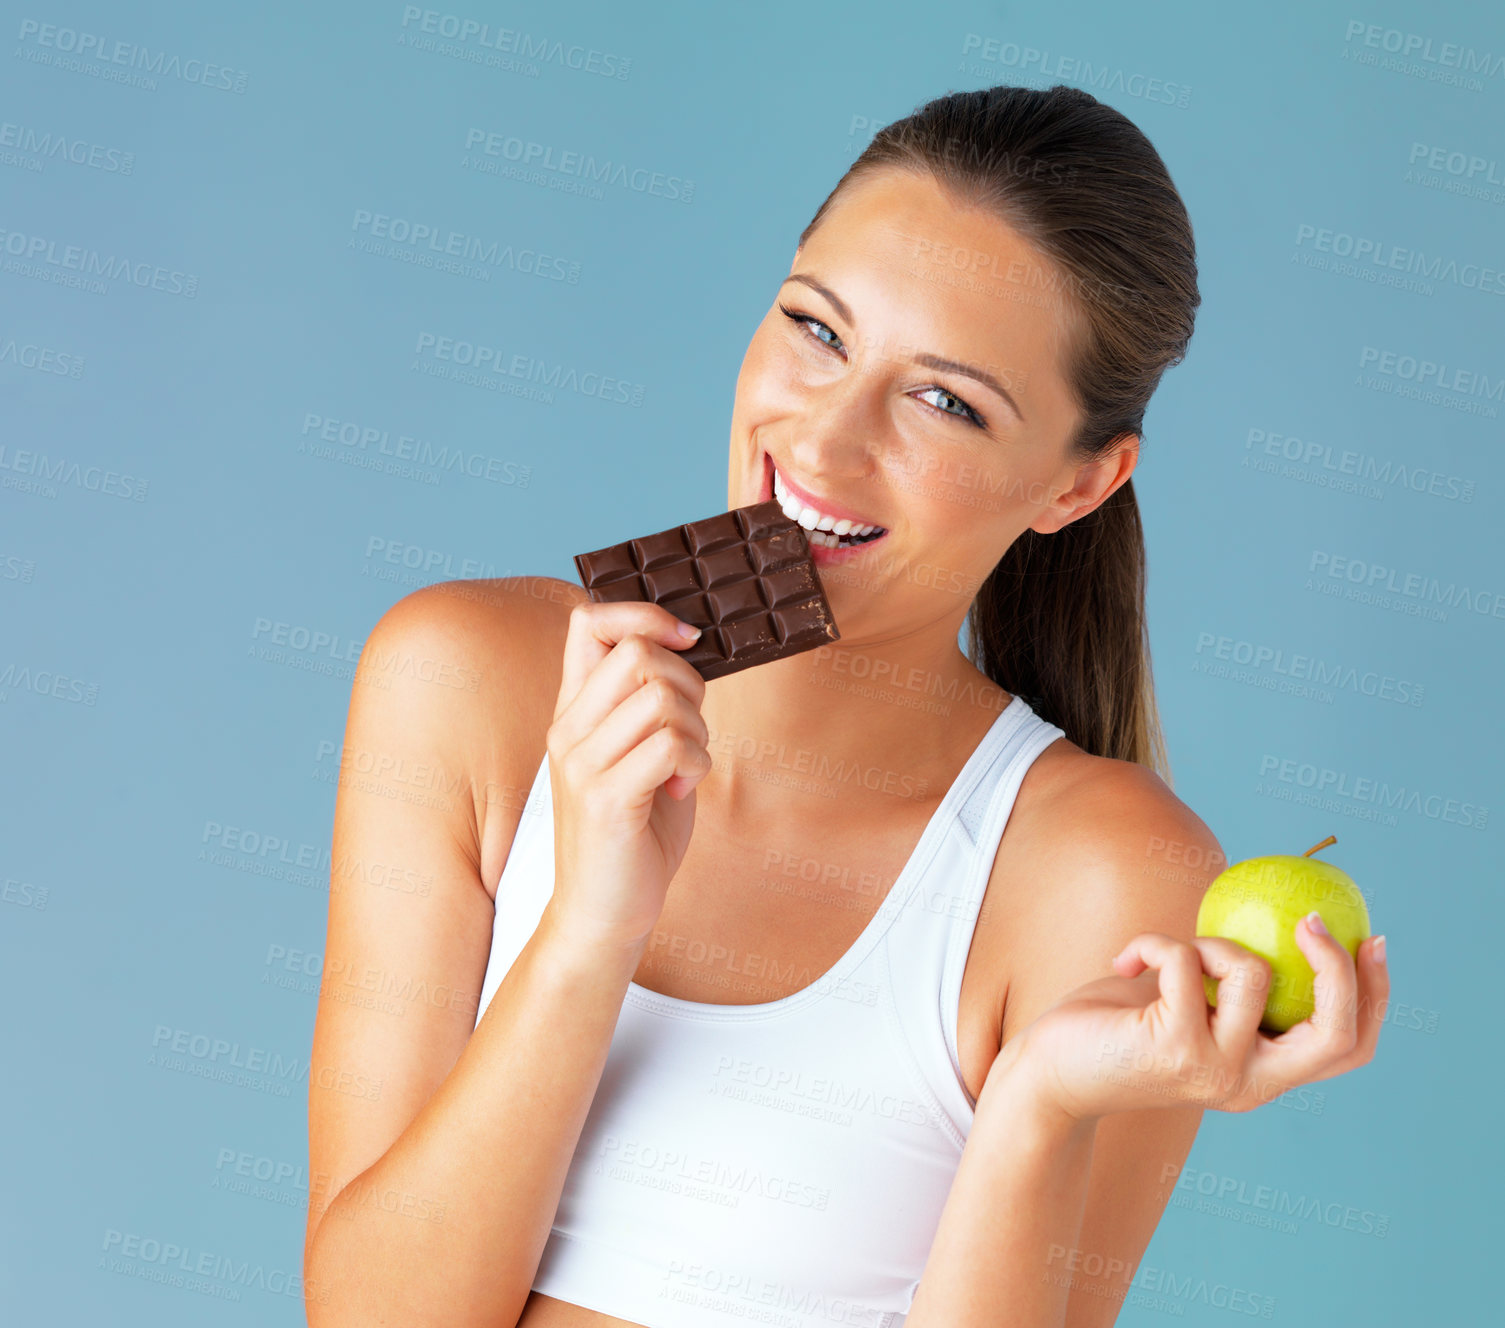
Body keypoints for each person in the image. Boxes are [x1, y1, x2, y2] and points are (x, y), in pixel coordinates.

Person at [302, 85, 1388, 1328]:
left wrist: (1035, 1101)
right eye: (817, 329)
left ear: (1079, 483)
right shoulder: (463, 682)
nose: (821, 437)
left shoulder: (1100, 878)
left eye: (944, 400)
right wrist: (591, 920)